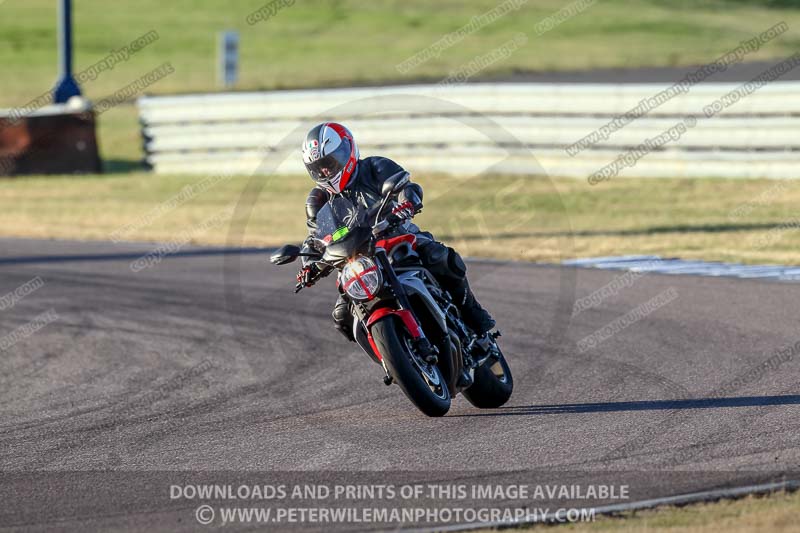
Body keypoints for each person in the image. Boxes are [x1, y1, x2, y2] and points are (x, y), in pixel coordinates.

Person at [296, 122, 495, 341]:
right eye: (319, 167)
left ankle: (474, 315)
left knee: (440, 258)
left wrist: (406, 204)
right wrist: (308, 265)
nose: (326, 171)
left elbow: (406, 187)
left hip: (397, 238)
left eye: (329, 163)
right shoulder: (318, 200)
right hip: (356, 262)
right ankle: (390, 360)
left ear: (346, 152)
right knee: (342, 317)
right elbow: (315, 237)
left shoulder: (374, 167)